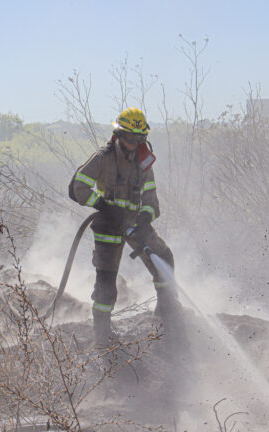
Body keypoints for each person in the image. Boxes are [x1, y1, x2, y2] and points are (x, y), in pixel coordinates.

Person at [70, 107, 182, 347]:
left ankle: (165, 309)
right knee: (106, 281)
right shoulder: (103, 158)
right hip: (109, 225)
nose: (135, 143)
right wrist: (103, 206)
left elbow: (152, 199)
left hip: (134, 224)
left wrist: (144, 220)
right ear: (120, 134)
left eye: (140, 138)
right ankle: (102, 335)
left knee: (164, 258)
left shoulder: (143, 162)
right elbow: (77, 187)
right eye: (131, 137)